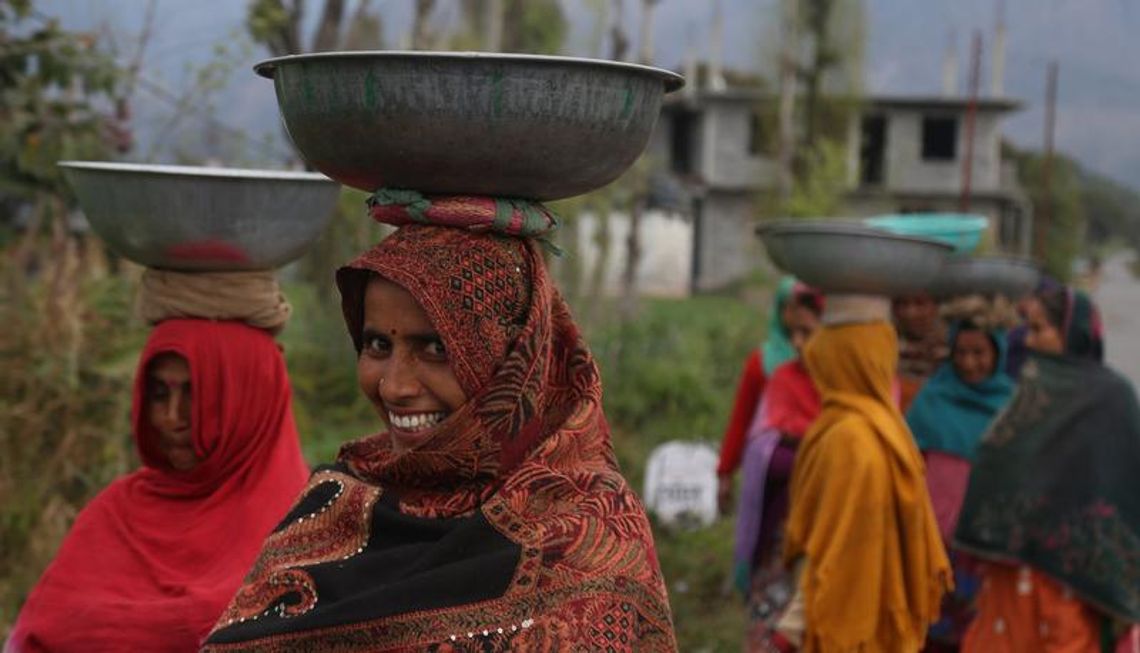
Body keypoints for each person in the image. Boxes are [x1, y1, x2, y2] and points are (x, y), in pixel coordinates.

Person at [202, 192, 675, 651]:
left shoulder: (590, 535)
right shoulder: (337, 506)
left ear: (516, 359)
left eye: (436, 349)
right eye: (378, 346)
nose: (394, 387)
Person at [7, 319, 310, 652]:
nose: (170, 417)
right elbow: (40, 633)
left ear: (249, 400)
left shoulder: (310, 529)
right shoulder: (118, 511)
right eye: (159, 394)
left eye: (196, 394)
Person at [957, 287, 1140, 652]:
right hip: (1011, 580)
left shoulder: (1112, 399)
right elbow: (995, 467)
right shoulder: (1029, 390)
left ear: (1073, 333)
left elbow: (1124, 490)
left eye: (1039, 329)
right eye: (1027, 327)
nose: (1029, 338)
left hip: (1073, 589)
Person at [780, 308, 952, 652]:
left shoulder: (848, 437)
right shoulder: (890, 428)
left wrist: (796, 622)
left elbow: (832, 546)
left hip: (843, 624)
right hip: (881, 618)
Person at [905, 307, 1016, 651]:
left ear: (997, 354)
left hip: (984, 553)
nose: (969, 363)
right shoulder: (930, 401)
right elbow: (907, 472)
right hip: (930, 551)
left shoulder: (1015, 407)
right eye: (961, 353)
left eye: (979, 353)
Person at [732, 286, 824, 652]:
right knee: (772, 634)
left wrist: (799, 448)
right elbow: (761, 450)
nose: (799, 344)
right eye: (794, 334)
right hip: (779, 535)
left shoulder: (844, 386)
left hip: (826, 538)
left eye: (809, 333)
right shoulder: (784, 378)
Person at [718, 277, 800, 515]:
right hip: (768, 474)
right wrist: (725, 471)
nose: (796, 315)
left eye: (802, 307)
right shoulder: (762, 362)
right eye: (789, 307)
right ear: (779, 310)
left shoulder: (827, 362)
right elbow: (742, 418)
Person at [894, 293, 948, 412]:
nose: (910, 313)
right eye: (903, 304)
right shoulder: (886, 347)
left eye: (920, 304)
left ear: (935, 307)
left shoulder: (953, 348)